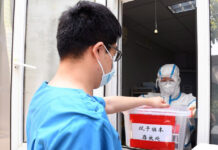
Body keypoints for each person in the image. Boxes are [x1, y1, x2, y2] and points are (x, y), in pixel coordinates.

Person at [26, 1, 168, 150]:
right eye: (114, 54)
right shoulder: (88, 125)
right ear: (99, 50)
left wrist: (149, 102)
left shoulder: (45, 96)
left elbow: (108, 103)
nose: (112, 64)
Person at [142, 64, 196, 149]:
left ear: (178, 80)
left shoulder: (188, 100)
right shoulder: (150, 98)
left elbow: (200, 111)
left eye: (171, 80)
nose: (167, 84)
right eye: (163, 80)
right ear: (158, 82)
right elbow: (131, 105)